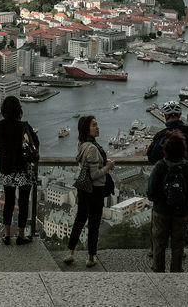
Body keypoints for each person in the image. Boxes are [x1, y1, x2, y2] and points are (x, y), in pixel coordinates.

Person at [64, 113, 114, 267]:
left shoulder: (81, 144)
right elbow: (94, 175)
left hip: (83, 189)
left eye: (96, 124)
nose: (97, 127)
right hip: (95, 190)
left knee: (80, 219)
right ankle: (91, 257)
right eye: (94, 125)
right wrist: (108, 167)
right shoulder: (92, 148)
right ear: (87, 129)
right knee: (94, 223)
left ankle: (70, 252)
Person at [146, 132, 188, 273]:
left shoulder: (160, 166)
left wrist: (159, 200)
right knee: (178, 244)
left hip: (161, 211)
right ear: (183, 150)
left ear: (166, 150)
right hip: (182, 212)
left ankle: (158, 271)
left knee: (159, 243)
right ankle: (176, 271)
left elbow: (150, 192)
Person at [0, 95, 40, 245]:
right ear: (19, 110)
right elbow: (35, 143)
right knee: (24, 202)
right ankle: (21, 235)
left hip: (8, 169)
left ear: (3, 110)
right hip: (23, 169)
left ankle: (6, 235)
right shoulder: (24, 126)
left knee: (9, 202)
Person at [147, 101, 188, 182]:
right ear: (180, 114)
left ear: (165, 116)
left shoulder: (160, 135)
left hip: (167, 180)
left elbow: (151, 158)